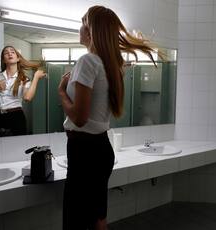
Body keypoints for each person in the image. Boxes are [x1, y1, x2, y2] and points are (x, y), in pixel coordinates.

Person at [58, 5, 162, 230]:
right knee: (98, 220)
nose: (80, 26)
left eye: (83, 21)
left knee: (76, 222)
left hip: (84, 152)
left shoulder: (87, 61)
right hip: (100, 150)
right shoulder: (109, 65)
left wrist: (61, 92)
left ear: (91, 30)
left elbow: (79, 118)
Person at [0, 46, 46, 137]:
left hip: (16, 117)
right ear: (3, 60)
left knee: (17, 148)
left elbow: (27, 97)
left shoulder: (23, 78)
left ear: (18, 58)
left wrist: (36, 78)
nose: (9, 53)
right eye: (6, 53)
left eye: (12, 52)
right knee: (0, 148)